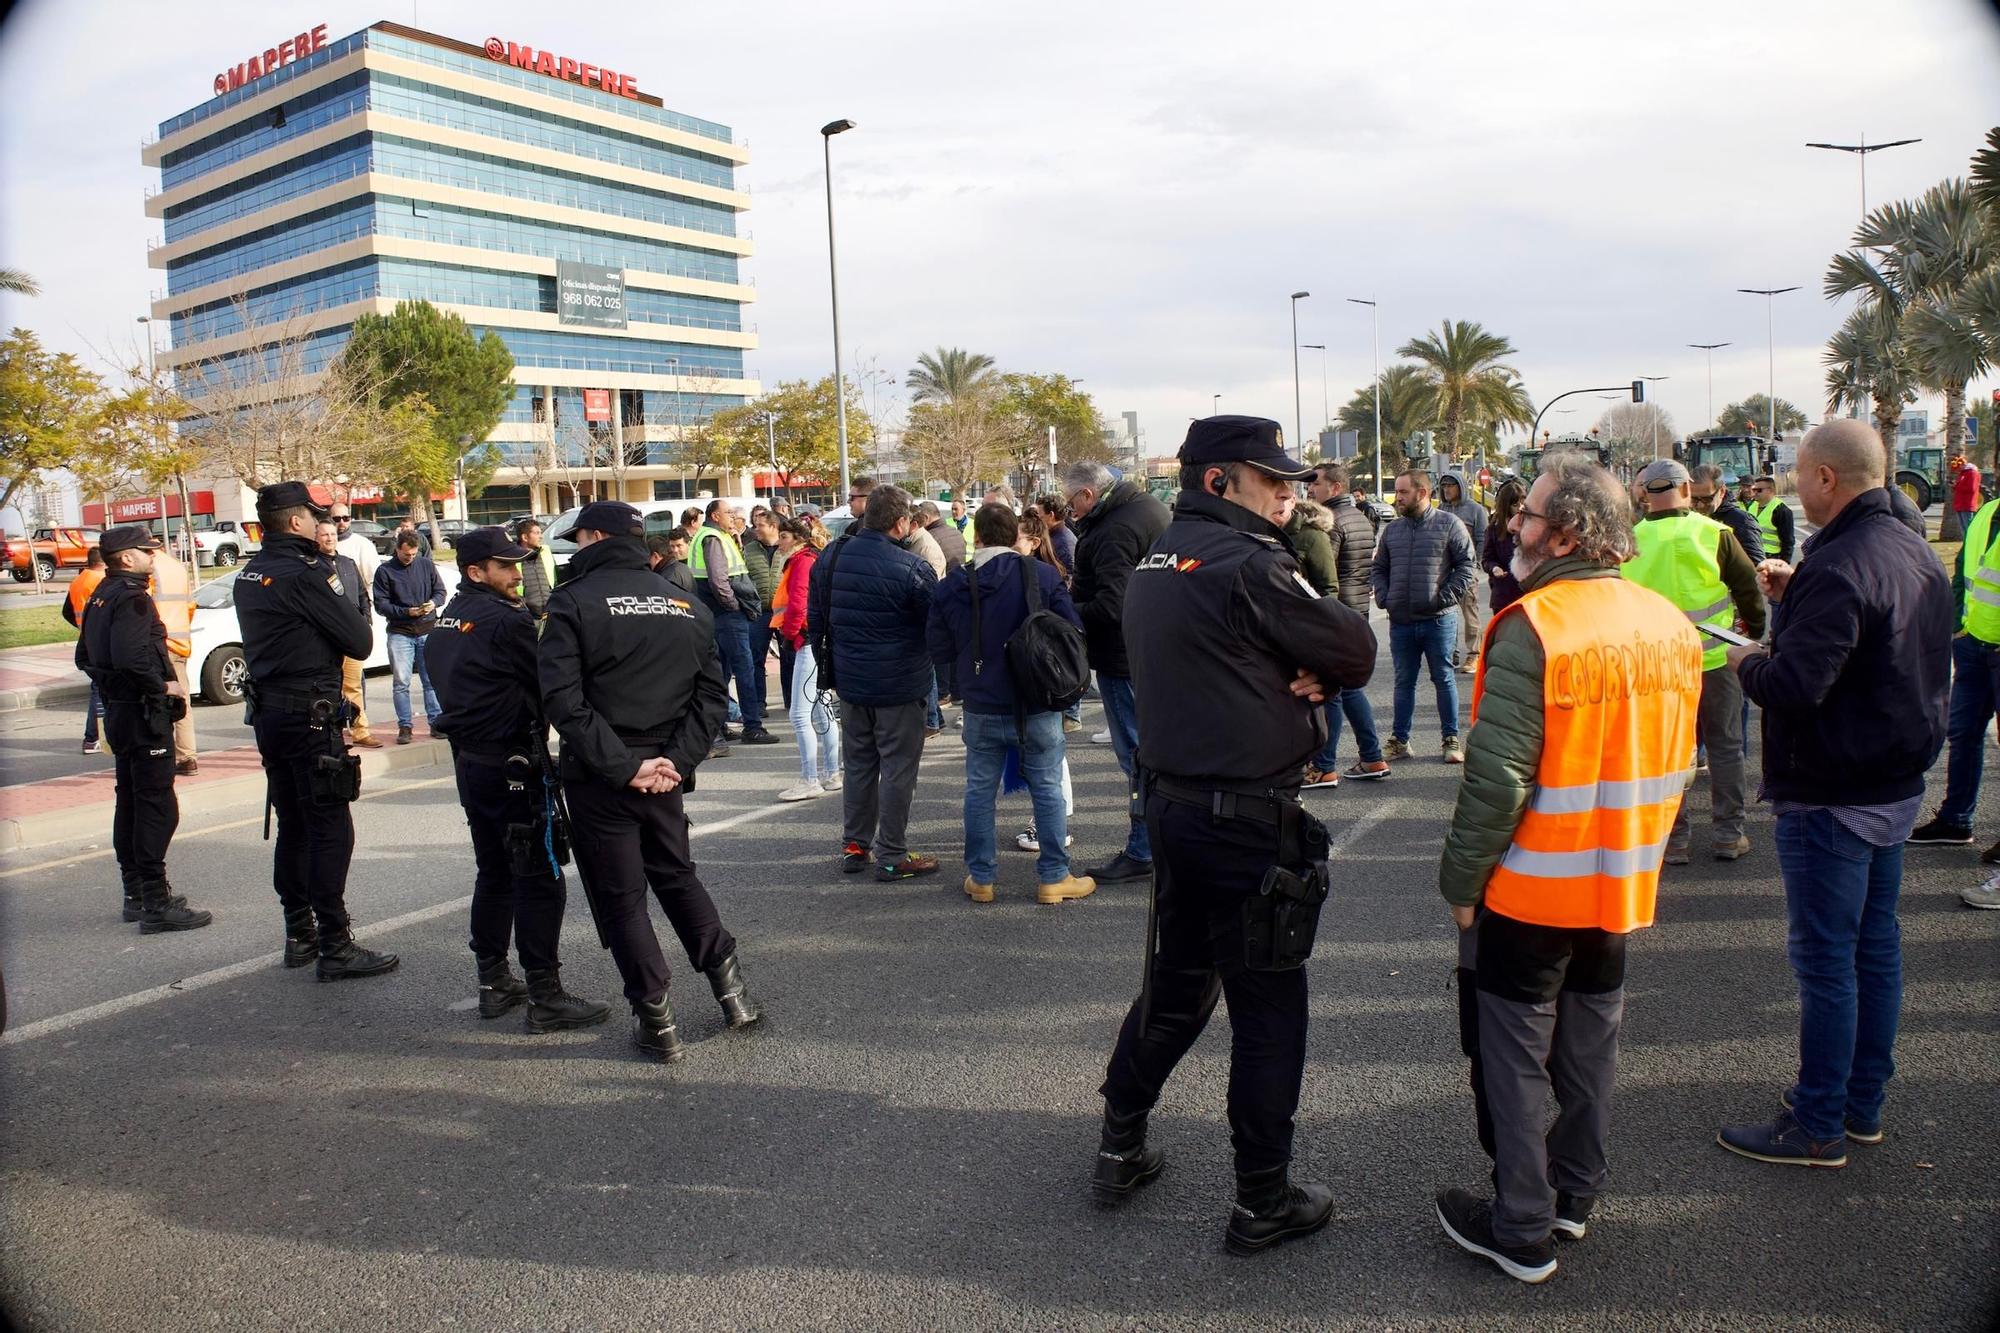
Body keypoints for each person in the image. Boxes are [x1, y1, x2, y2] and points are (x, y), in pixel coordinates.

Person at [1094, 415, 1375, 1254]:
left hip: (1175, 808)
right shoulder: (1249, 563)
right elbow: (1356, 646)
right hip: (1246, 817)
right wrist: (1318, 669)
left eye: (1291, 481)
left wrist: (1301, 670)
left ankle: (1120, 1142)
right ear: (1218, 480)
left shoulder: (1154, 558)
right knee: (1267, 1011)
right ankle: (1262, 1198)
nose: (1288, 493)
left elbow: (1232, 657)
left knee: (1175, 989)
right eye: (1271, 479)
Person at [1434, 453, 1702, 1284]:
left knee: (1513, 1056)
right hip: (1620, 880)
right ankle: (1575, 1194)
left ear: (1570, 532)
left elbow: (1497, 777)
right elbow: (1675, 763)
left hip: (1533, 885)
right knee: (1590, 1046)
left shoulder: (1535, 624)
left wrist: (1461, 883)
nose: (1516, 525)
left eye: (1530, 516)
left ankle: (1521, 1224)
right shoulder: (1668, 623)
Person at [1716, 419, 1952, 1165]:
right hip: (1893, 780)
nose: (1793, 488)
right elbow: (1864, 643)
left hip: (1834, 791)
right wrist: (1794, 598)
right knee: (1874, 950)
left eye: (1800, 475)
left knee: (1827, 962)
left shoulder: (1840, 562)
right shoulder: (1912, 546)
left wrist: (1748, 661)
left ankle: (1817, 1121)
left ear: (1825, 478)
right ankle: (1859, 1105)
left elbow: (1795, 683)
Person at [538, 500, 762, 1062]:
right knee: (677, 876)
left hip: (604, 771)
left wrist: (626, 766)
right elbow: (712, 695)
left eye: (578, 538)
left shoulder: (573, 602)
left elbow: (564, 702)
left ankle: (657, 1021)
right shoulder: (686, 603)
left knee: (622, 898)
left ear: (592, 537)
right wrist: (674, 762)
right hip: (664, 769)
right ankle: (732, 994)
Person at [427, 527, 610, 1033]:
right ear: (475, 572)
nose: (516, 575)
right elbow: (551, 683)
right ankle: (545, 994)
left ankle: (493, 981)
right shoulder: (503, 622)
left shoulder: (448, 618)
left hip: (473, 763)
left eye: (517, 565)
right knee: (538, 877)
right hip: (512, 764)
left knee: (495, 872)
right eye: (505, 567)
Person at [237, 482, 396, 980]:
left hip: (272, 715)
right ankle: (334, 942)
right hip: (310, 715)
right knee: (329, 827)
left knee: (295, 825)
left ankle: (298, 934)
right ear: (297, 521)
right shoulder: (307, 573)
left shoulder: (251, 570)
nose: (319, 520)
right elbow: (360, 640)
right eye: (313, 513)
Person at [927, 502, 1094, 904]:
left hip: (981, 702)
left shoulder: (952, 585)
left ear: (977, 536)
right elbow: (1072, 629)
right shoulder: (1039, 575)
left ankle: (981, 877)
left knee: (979, 791)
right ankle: (1054, 875)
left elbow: (938, 648)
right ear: (1015, 534)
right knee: (1048, 788)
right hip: (1036, 699)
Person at [1625, 459, 1765, 863]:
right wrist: (1752, 634)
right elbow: (1748, 591)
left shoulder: (1630, 542)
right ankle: (1728, 834)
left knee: (1667, 753)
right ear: (1687, 489)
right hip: (1716, 661)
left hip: (1657, 667)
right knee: (1725, 748)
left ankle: (1675, 839)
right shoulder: (1716, 533)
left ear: (1643, 495)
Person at [75, 525, 213, 934]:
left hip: (121, 711)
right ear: (127, 558)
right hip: (141, 713)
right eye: (147, 551)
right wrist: (163, 685)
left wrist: (114, 687)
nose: (155, 556)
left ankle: (136, 893)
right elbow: (133, 658)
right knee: (156, 806)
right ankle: (155, 901)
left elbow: (84, 655)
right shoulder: (132, 598)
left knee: (131, 802)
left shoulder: (101, 595)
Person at [806, 483, 941, 881]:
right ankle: (892, 854)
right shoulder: (912, 568)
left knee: (860, 765)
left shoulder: (831, 556)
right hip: (899, 684)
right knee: (898, 769)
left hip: (851, 681)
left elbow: (816, 619)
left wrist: (830, 665)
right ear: (901, 522)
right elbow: (934, 626)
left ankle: (855, 845)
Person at [1062, 458, 1171, 884]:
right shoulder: (1146, 508)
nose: (1071, 511)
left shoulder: (1114, 530)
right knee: (1154, 753)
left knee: (1138, 758)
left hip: (1124, 657)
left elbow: (1114, 604)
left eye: (1073, 503)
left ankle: (1144, 848)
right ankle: (1161, 842)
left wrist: (1065, 611)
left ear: (1088, 494)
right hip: (1154, 650)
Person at [1907, 482, 2000, 870]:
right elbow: (1964, 569)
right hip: (1975, 644)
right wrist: (1960, 624)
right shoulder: (1986, 512)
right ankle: (1956, 819)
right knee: (1962, 734)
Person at [1371, 469, 1476, 764]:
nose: (1397, 498)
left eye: (1403, 492)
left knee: (1443, 679)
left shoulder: (1449, 525)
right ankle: (1400, 740)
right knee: (1403, 682)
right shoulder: (1392, 530)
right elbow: (1379, 568)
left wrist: (1443, 598)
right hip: (1401, 621)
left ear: (1422, 493)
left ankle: (1451, 739)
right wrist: (1384, 596)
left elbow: (1467, 567)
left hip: (1438, 621)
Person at [1305, 462, 1388, 784]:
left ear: (1335, 488)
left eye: (1316, 483)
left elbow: (1327, 574)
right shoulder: (1361, 519)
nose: (1310, 489)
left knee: (1333, 693)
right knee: (1351, 690)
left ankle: (1325, 766)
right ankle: (1372, 758)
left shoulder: (1331, 524)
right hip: (1356, 614)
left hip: (1336, 616)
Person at [691, 498, 776, 746]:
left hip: (717, 614)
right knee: (744, 670)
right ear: (715, 516)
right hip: (727, 615)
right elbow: (719, 581)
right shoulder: (713, 538)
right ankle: (752, 727)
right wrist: (734, 606)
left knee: (722, 673)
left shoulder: (714, 535)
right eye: (728, 513)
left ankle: (720, 726)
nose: (733, 516)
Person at [772, 517, 840, 801]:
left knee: (800, 714)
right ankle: (830, 773)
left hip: (806, 640)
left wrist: (789, 635)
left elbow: (799, 602)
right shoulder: (814, 558)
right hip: (816, 639)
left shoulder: (802, 561)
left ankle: (811, 778)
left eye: (784, 536)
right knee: (820, 708)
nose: (779, 542)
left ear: (798, 538)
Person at [1285, 496, 1342, 788]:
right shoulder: (1270, 532)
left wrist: (1315, 626)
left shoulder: (1311, 536)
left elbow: (1329, 588)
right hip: (1284, 635)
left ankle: (1325, 765)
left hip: (1313, 631)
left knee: (1329, 698)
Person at [373, 532, 445, 745]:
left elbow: (440, 591)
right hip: (400, 631)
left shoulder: (426, 565)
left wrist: (433, 602)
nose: (410, 558)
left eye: (413, 554)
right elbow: (381, 604)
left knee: (431, 680)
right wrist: (406, 612)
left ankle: (435, 722)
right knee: (401, 682)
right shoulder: (385, 571)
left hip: (427, 629)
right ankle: (405, 725)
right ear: (397, 550)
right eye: (406, 555)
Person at [327, 502, 383, 748]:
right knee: (330, 687)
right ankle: (333, 734)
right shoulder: (312, 566)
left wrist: (365, 622)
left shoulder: (350, 560)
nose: (339, 525)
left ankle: (360, 731)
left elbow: (364, 593)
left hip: (352, 634)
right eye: (333, 521)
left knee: (353, 686)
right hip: (327, 637)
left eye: (344, 518)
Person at [149, 542, 199, 774]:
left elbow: (144, 606)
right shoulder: (176, 566)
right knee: (182, 700)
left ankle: (163, 755)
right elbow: (190, 605)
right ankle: (187, 757)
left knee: (159, 700)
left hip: (159, 643)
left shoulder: (148, 568)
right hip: (180, 642)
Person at [1436, 470, 1490, 672]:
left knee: (1470, 613)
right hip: (1444, 570)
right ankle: (1451, 653)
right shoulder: (1441, 509)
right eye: (1443, 486)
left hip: (1465, 570)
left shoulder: (1476, 510)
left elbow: (1482, 539)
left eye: (1450, 485)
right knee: (1445, 613)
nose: (1446, 489)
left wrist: (1476, 564)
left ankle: (1474, 655)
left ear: (1461, 486)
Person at [742, 509, 784, 724]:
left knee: (790, 657)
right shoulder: (748, 550)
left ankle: (791, 700)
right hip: (758, 612)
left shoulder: (786, 547)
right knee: (755, 658)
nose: (755, 529)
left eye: (759, 525)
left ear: (773, 527)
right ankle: (759, 703)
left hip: (784, 611)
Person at [65, 546, 107, 756]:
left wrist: (82, 627)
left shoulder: (78, 580)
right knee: (100, 689)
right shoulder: (99, 581)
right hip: (99, 640)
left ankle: (97, 736)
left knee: (99, 687)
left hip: (87, 638)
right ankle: (93, 737)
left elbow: (66, 612)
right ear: (104, 562)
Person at [1689, 467, 1764, 567]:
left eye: (1707, 499)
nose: (1700, 505)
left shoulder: (1742, 521)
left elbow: (1756, 568)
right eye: (1693, 499)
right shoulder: (1688, 517)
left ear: (1722, 492)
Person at [1743, 476, 1795, 564]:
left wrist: (1784, 563)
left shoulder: (1781, 510)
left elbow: (1788, 541)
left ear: (1770, 490)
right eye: (1754, 489)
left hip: (1772, 558)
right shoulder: (1752, 506)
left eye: (1759, 490)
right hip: (1752, 555)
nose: (1755, 492)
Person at [516, 517, 557, 618]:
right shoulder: (513, 557)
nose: (541, 536)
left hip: (550, 613)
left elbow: (556, 581)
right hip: (528, 616)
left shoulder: (546, 552)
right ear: (525, 538)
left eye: (541, 532)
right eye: (537, 533)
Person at [917, 499, 967, 567]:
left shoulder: (928, 538)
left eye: (919, 519)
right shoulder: (957, 533)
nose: (918, 522)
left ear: (926, 518)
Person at [1036, 493, 1078, 572]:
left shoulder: (1064, 543)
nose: (1039, 521)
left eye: (1041, 517)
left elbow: (1070, 576)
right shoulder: (1053, 535)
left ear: (1051, 515)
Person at [1952, 454, 1982, 537]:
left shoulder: (1972, 473)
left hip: (1967, 504)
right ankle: (1966, 544)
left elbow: (1971, 488)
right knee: (1963, 528)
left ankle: (1970, 544)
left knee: (1968, 527)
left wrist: (1957, 486)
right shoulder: (1963, 473)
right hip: (1960, 504)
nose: (1957, 470)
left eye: (1958, 467)